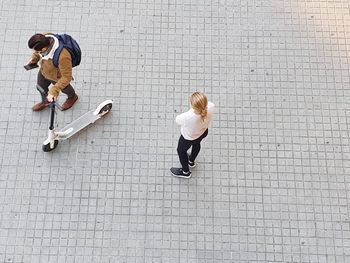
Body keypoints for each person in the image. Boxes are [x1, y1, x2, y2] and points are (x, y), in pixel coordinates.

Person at [27, 32, 78, 111]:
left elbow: (67, 77)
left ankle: (72, 97)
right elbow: (37, 53)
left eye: (37, 51)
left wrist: (54, 91)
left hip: (57, 77)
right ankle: (46, 102)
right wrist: (35, 58)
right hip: (44, 71)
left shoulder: (63, 57)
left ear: (44, 49)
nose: (35, 52)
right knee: (40, 87)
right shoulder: (45, 36)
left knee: (66, 89)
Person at [170, 92, 215, 178]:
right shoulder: (211, 107)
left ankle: (185, 172)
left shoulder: (188, 116)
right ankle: (191, 161)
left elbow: (177, 120)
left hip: (188, 138)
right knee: (197, 144)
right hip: (202, 133)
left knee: (181, 151)